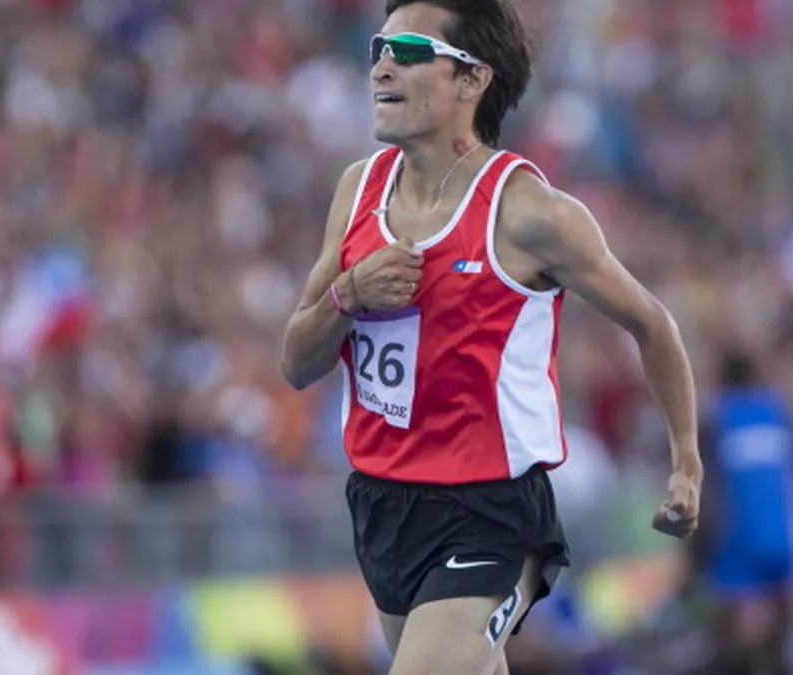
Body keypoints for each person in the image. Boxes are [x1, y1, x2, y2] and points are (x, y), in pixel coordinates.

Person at [279, 2, 703, 673]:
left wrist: (685, 461)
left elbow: (652, 323)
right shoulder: (358, 190)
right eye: (378, 50)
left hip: (490, 511)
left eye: (408, 51)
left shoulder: (528, 212)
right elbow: (297, 363)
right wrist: (348, 294)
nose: (382, 67)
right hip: (382, 502)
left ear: (472, 79)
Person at [692, 352, 793, 675]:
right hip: (782, 533)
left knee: (727, 630)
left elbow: (708, 487)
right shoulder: (780, 412)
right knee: (784, 623)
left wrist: (698, 550)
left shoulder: (717, 417)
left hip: (737, 534)